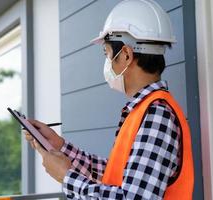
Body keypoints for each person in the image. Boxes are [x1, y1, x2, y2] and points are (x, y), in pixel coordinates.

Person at [24, 0, 194, 199]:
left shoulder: (157, 115)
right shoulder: (145, 110)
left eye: (107, 53)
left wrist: (67, 177)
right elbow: (118, 175)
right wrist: (59, 146)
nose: (106, 63)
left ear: (126, 55)